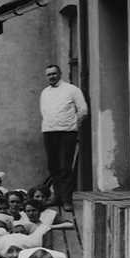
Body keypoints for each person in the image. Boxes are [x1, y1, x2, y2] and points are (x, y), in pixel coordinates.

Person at [39, 64, 88, 211]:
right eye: (49, 74)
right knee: (53, 166)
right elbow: (44, 112)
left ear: (60, 74)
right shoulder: (45, 92)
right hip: (49, 131)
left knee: (65, 167)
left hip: (67, 132)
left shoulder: (72, 90)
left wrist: (73, 126)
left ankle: (67, 200)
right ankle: (57, 197)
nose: (51, 77)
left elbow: (83, 110)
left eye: (54, 73)